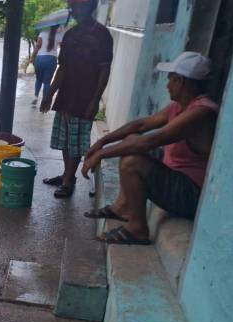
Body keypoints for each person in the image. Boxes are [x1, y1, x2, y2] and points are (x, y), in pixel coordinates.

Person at [80, 52, 219, 245]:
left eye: (170, 79)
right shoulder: (180, 106)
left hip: (192, 194)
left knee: (133, 162)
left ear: (181, 81)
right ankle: (122, 207)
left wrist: (101, 154)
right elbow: (140, 126)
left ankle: (137, 229)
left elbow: (150, 141)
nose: (167, 84)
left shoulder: (201, 112)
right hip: (178, 178)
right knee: (131, 140)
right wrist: (102, 142)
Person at [40, 0, 112, 198]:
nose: (76, 11)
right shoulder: (71, 35)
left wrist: (95, 99)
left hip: (85, 98)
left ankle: (68, 181)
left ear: (90, 8)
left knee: (76, 141)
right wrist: (50, 93)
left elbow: (104, 69)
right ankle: (67, 175)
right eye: (74, 8)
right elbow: (62, 68)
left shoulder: (101, 35)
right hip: (66, 96)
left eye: (80, 7)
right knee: (65, 140)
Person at [30, 24, 63, 106]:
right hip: (51, 60)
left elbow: (37, 46)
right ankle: (44, 101)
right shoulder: (58, 35)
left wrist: (32, 57)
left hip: (40, 59)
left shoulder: (43, 33)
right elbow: (63, 48)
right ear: (57, 26)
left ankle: (35, 96)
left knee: (38, 79)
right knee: (47, 82)